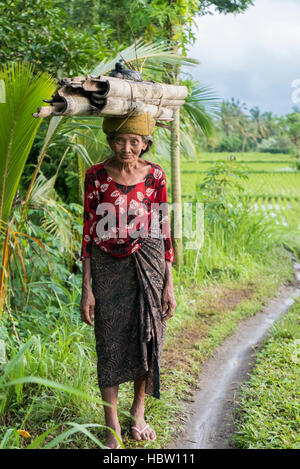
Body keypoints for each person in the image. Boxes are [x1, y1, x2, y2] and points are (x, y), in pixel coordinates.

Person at [79, 112, 176, 449]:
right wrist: (86, 289)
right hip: (107, 265)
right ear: (110, 141)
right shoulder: (95, 176)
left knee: (146, 336)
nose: (127, 147)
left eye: (135, 140)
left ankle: (138, 412)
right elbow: (89, 231)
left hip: (149, 262)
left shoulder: (156, 177)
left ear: (145, 143)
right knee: (109, 341)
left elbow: (163, 230)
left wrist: (169, 284)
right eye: (120, 140)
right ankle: (111, 429)